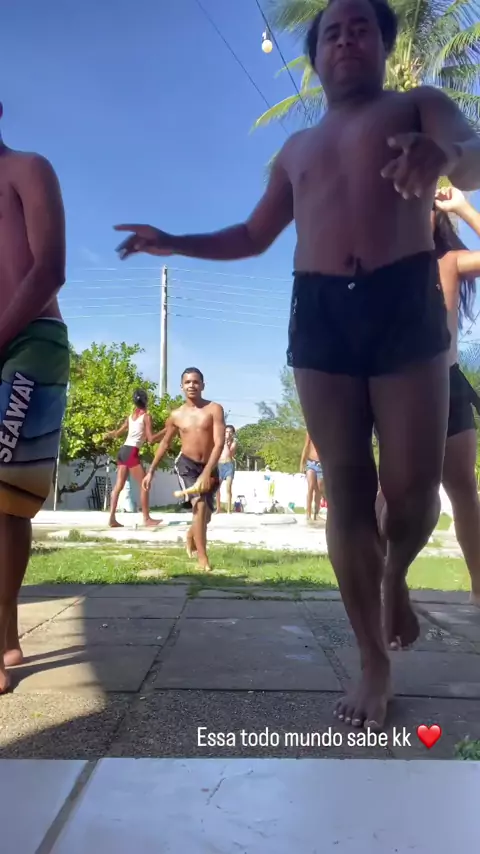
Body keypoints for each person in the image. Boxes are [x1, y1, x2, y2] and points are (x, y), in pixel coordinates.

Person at [113, 0, 480, 729]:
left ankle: (396, 575)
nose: (346, 38)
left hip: (404, 300)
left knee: (412, 495)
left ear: (383, 44)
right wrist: (176, 240)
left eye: (361, 27)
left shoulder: (418, 105)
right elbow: (253, 234)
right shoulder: (296, 151)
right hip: (319, 308)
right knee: (347, 486)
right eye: (332, 31)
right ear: (315, 57)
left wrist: (443, 156)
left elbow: (472, 146)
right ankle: (372, 660)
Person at [377, 185, 480, 607]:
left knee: (464, 488)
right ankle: (385, 579)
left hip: (449, 385)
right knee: (394, 491)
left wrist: (464, 207)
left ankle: (479, 588)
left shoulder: (450, 262)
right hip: (400, 389)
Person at [0, 111, 70, 693]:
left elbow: (50, 269)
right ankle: (7, 628)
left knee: (6, 499)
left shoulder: (27, 168)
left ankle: (0, 633)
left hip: (31, 340)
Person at [142, 368, 225, 571]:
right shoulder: (176, 415)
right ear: (181, 386)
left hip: (210, 466)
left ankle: (191, 534)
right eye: (187, 382)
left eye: (195, 382)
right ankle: (202, 559)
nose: (191, 385)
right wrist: (151, 470)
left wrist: (207, 472)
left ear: (203, 385)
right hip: (187, 464)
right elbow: (165, 443)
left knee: (206, 516)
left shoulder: (214, 409)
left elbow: (219, 442)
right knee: (199, 506)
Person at [104, 389, 165, 528]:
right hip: (132, 451)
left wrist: (110, 434)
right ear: (146, 401)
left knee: (118, 486)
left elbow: (117, 434)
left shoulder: (130, 416)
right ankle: (147, 519)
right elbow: (151, 439)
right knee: (145, 484)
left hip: (123, 451)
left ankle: (112, 518)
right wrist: (166, 430)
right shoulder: (146, 417)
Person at [300, 431, 325, 521]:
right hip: (310, 462)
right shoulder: (310, 431)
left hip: (321, 463)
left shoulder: (325, 432)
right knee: (310, 487)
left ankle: (316, 513)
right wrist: (302, 462)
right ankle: (308, 513)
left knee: (319, 488)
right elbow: (306, 446)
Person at [216, 424, 237, 513]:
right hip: (220, 465)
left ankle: (228, 510)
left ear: (233, 434)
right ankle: (218, 508)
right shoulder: (219, 441)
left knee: (228, 488)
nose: (228, 433)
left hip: (229, 465)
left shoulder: (234, 443)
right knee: (217, 488)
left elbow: (230, 454)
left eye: (230, 432)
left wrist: (226, 443)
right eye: (226, 431)